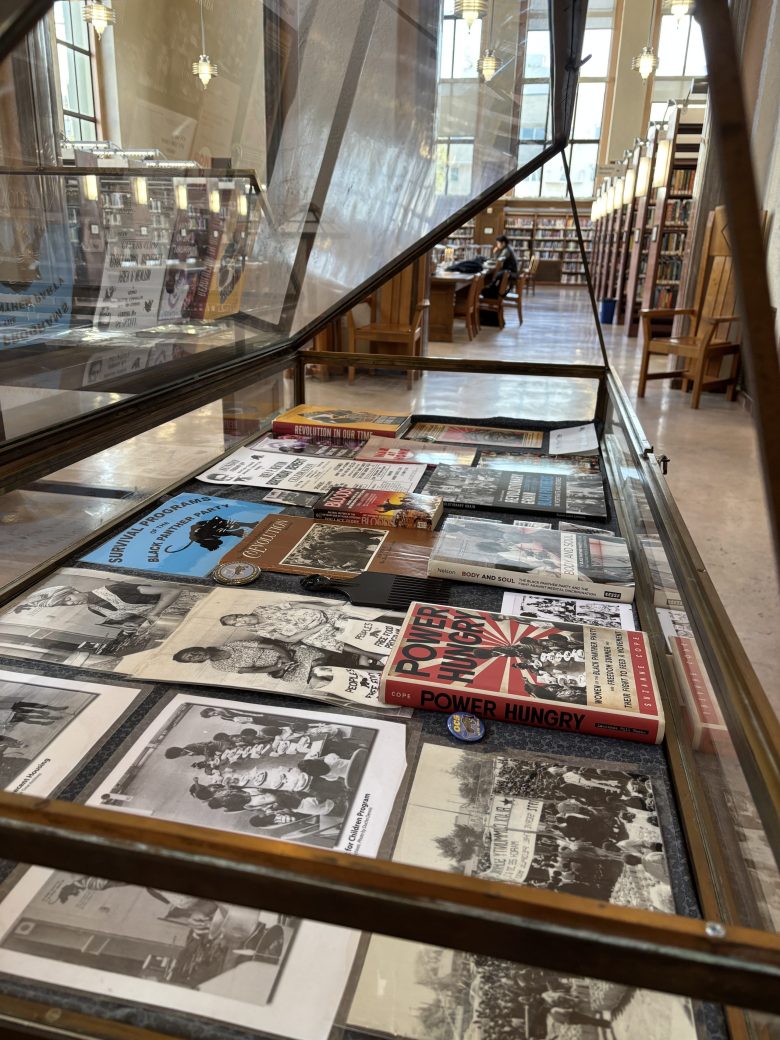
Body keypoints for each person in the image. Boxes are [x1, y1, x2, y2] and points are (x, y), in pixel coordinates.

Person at [15, 581, 182, 629]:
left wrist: (155, 612)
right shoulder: (94, 609)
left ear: (72, 590)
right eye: (66, 605)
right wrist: (133, 624)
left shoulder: (114, 588)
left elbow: (171, 591)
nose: (71, 603)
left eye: (68, 598)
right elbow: (138, 617)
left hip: (185, 607)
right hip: (169, 622)